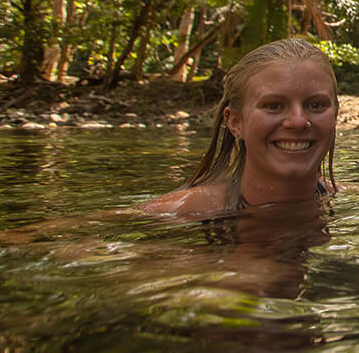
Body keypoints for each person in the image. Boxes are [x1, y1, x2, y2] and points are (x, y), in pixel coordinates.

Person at [142, 38, 338, 218]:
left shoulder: (348, 197)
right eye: (273, 106)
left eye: (316, 105)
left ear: (336, 115)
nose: (297, 121)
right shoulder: (170, 212)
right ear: (235, 122)